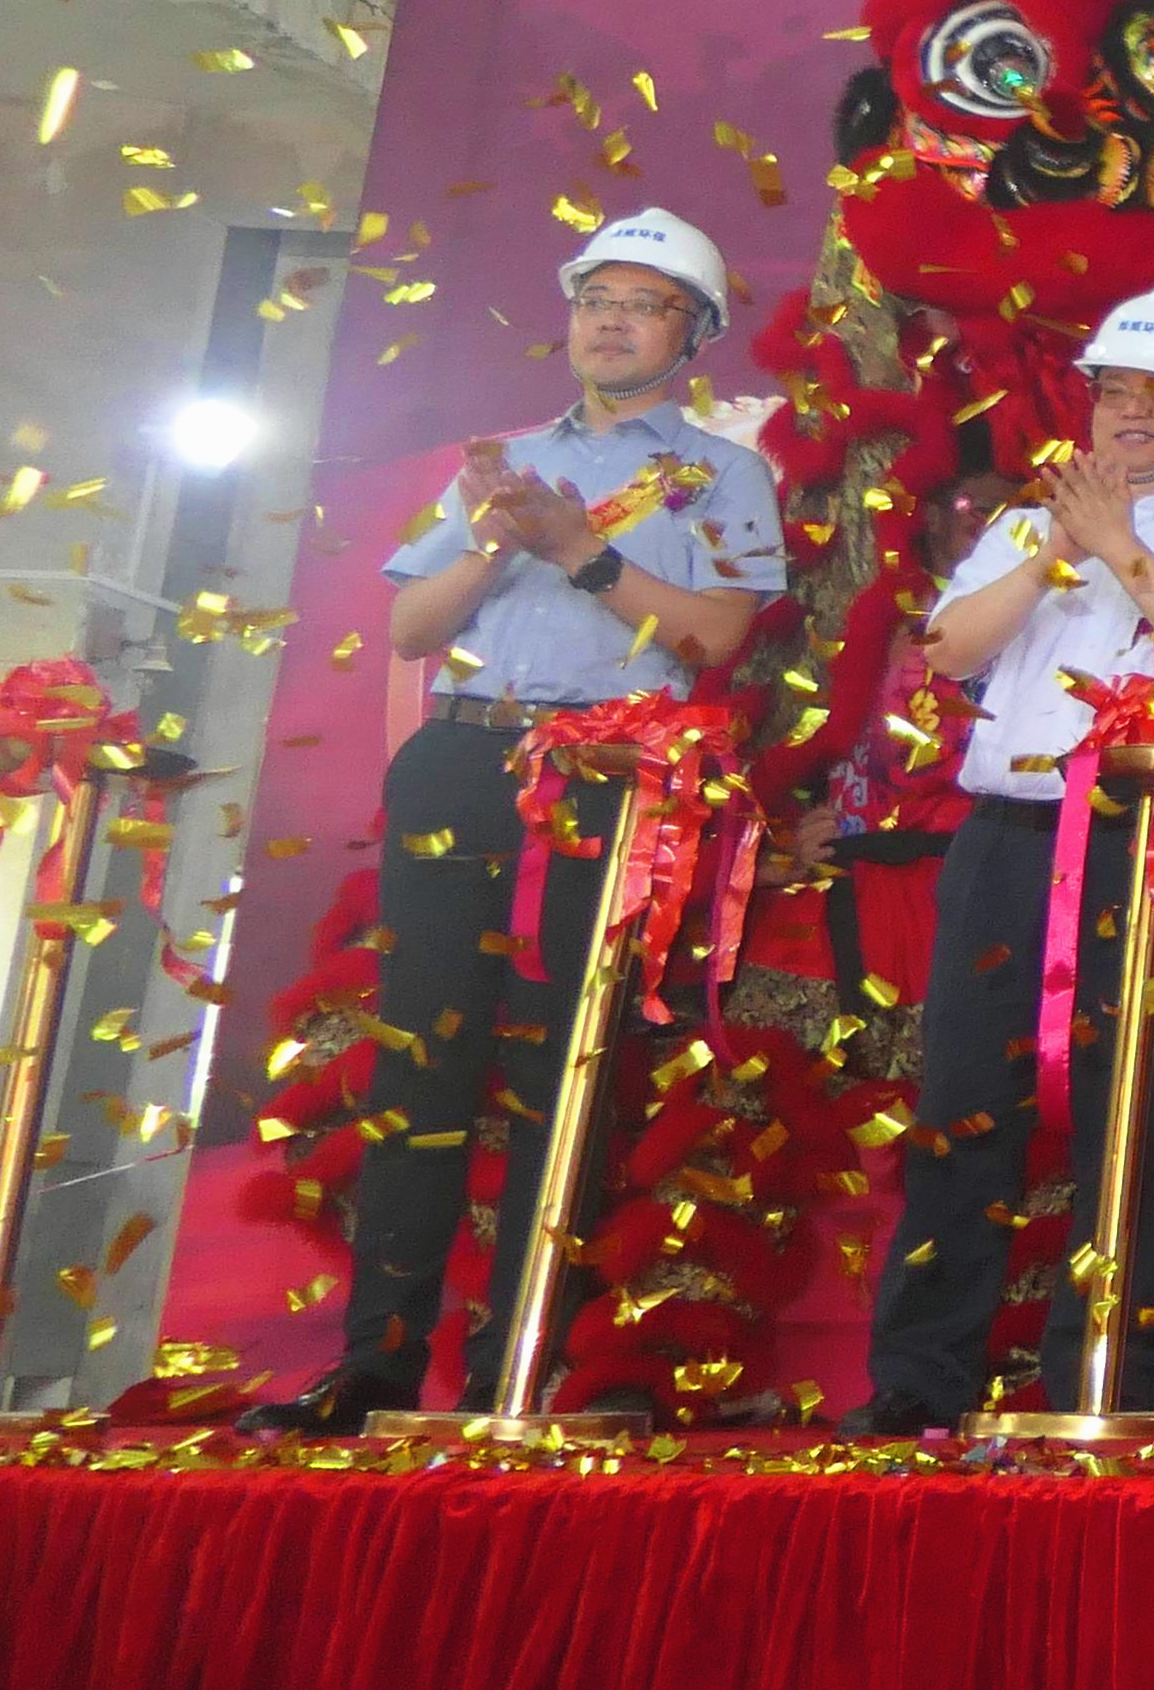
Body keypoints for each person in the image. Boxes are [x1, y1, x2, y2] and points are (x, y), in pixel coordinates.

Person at [241, 209, 788, 1433]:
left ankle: (520, 1363)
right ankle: (376, 1366)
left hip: (605, 776)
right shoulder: (503, 463)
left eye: (643, 304)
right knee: (419, 1058)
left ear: (693, 334)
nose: (611, 322)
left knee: (562, 1060)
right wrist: (496, 546)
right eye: (596, 299)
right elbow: (409, 628)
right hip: (461, 758)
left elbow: (716, 637)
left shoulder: (722, 472)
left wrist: (581, 548)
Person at [841, 294, 1154, 1432]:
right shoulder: (1022, 528)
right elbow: (948, 650)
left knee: (1127, 1109)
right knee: (962, 1107)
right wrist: (1054, 549)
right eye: (1114, 392)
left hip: (1145, 847)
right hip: (1008, 840)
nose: (1131, 413)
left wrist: (1120, 546)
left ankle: (1109, 1380)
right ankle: (919, 1380)